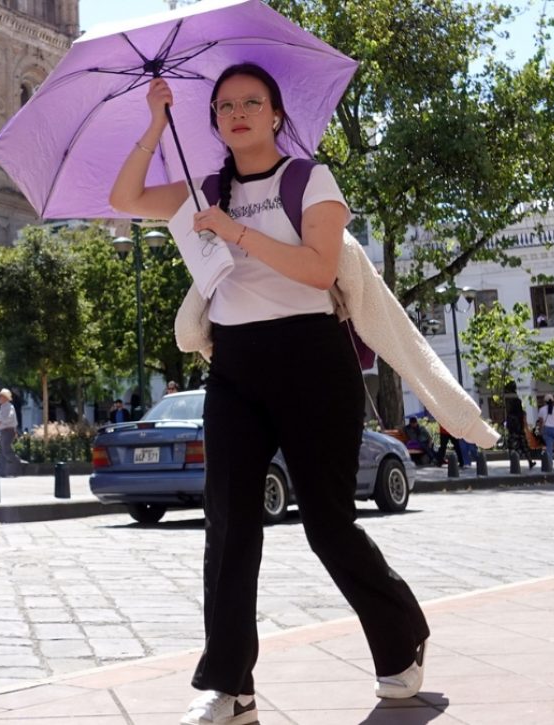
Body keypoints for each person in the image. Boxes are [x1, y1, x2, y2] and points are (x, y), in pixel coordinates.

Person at [110, 64, 429, 724]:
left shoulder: (309, 179)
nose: (238, 112)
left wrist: (235, 231)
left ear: (277, 114)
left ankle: (404, 635)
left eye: (253, 101)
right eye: (225, 105)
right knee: (228, 525)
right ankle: (232, 686)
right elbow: (125, 196)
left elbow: (317, 267)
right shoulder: (204, 188)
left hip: (312, 361)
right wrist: (151, 122)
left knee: (328, 526)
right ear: (215, 120)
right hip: (235, 368)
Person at [0, 388, 22, 477]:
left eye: (1, 396)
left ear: (5, 398)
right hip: (4, 430)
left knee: (6, 449)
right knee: (2, 451)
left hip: (8, 430)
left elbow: (10, 417)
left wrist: (1, 422)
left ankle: (16, 462)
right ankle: (2, 472)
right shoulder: (3, 407)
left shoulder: (9, 407)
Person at [504, 394, 536, 469]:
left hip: (512, 434)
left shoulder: (509, 414)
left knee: (512, 449)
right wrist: (527, 431)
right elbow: (525, 423)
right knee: (525, 448)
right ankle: (530, 462)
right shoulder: (522, 413)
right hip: (521, 433)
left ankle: (514, 464)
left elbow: (507, 425)